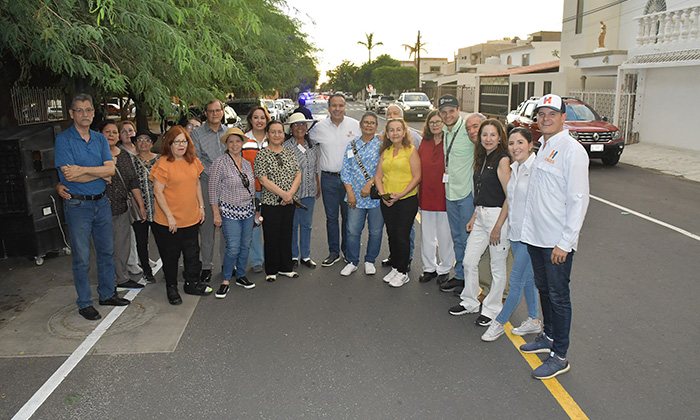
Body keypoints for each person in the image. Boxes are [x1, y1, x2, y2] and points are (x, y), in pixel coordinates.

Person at [518, 94, 589, 380]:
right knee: (544, 290)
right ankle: (547, 337)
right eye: (541, 114)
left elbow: (578, 199)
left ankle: (559, 356)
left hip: (556, 243)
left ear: (563, 117)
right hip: (537, 237)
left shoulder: (572, 151)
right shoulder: (544, 145)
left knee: (559, 297)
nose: (545, 118)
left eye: (552, 114)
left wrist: (566, 242)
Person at [54, 93, 130, 320]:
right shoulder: (64, 140)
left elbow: (109, 171)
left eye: (88, 110)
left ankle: (107, 294)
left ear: (93, 113)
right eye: (79, 110)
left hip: (101, 202)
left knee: (107, 252)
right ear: (71, 114)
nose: (84, 114)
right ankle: (85, 302)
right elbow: (68, 176)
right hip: (78, 206)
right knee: (82, 258)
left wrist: (83, 170)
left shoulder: (98, 139)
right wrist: (96, 173)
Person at [481, 128, 542, 342]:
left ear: (530, 145)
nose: (515, 147)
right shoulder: (515, 168)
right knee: (528, 279)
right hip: (516, 233)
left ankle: (499, 323)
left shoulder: (537, 169)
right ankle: (534, 320)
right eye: (512, 143)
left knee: (515, 280)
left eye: (520, 143)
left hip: (531, 236)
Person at [449, 120, 511, 329]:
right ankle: (470, 301)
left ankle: (493, 309)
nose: (488, 139)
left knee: (497, 266)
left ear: (500, 137)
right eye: (485, 135)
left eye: (493, 135)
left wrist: (498, 226)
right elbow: (481, 191)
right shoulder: (482, 158)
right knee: (469, 261)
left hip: (498, 218)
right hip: (481, 215)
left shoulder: (503, 160)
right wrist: (474, 216)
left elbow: (510, 196)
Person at [151, 126, 212, 305]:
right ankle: (172, 287)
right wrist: (169, 216)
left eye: (184, 141)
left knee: (192, 253)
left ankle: (192, 283)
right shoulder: (162, 164)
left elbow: (196, 185)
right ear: (169, 144)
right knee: (171, 256)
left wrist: (201, 206)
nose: (181, 145)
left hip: (191, 218)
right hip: (169, 221)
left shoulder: (192, 161)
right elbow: (158, 192)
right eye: (176, 141)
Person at [308, 93, 361, 267]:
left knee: (348, 217)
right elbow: (304, 141)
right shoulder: (319, 128)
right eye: (334, 106)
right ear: (329, 107)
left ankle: (347, 251)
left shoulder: (355, 126)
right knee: (331, 218)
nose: (338, 109)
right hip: (329, 179)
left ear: (345, 107)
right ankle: (334, 252)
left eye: (341, 105)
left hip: (350, 180)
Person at [436, 96, 477, 294]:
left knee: (467, 237)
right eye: (443, 112)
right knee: (457, 237)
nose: (447, 115)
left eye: (451, 111)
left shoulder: (468, 130)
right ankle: (460, 275)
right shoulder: (445, 131)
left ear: (459, 110)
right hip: (450, 192)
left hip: (466, 193)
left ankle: (470, 281)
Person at [209, 127, 256, 298]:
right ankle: (226, 280)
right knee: (233, 247)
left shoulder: (247, 164)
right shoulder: (220, 163)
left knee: (245, 245)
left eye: (238, 141)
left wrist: (255, 210)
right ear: (227, 144)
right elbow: (213, 190)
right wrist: (216, 213)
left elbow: (251, 189)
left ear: (243, 143)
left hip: (248, 211)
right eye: (231, 142)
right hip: (229, 212)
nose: (235, 145)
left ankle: (241, 275)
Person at [374, 118, 421, 288]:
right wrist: (383, 195)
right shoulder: (385, 151)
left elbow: (417, 177)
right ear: (387, 133)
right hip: (387, 201)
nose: (395, 133)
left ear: (404, 132)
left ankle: (403, 272)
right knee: (392, 234)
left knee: (402, 235)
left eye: (398, 130)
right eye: (391, 130)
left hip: (406, 201)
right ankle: (395, 267)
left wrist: (400, 195)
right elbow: (378, 176)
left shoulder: (411, 151)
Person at [102, 121, 147, 291]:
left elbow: (133, 182)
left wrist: (141, 205)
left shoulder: (124, 156)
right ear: (100, 134)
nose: (111, 135)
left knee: (122, 246)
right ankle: (109, 282)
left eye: (114, 132)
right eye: (108, 132)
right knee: (106, 248)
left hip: (121, 207)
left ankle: (122, 278)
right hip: (101, 208)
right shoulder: (96, 155)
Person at [254, 120, 301, 282]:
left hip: (289, 202)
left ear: (284, 134)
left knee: (286, 234)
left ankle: (285, 267)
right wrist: (283, 194)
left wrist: (290, 195)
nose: (276, 135)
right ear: (267, 134)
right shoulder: (262, 154)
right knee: (271, 236)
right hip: (271, 203)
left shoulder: (289, 152)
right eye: (273, 132)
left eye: (279, 132)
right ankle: (272, 269)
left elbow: (297, 174)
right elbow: (263, 180)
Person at [339, 111, 383, 276]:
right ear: (361, 125)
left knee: (376, 231)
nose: (369, 125)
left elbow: (384, 168)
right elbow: (346, 170)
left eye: (372, 123)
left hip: (375, 197)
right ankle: (352, 261)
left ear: (376, 126)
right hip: (355, 197)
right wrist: (350, 192)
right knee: (352, 230)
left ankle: (370, 260)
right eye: (366, 122)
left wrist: (369, 183)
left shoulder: (382, 145)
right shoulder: (352, 145)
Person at [190, 99, 227, 283]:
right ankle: (206, 266)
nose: (214, 114)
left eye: (217, 110)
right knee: (208, 226)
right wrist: (215, 173)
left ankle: (227, 265)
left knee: (228, 225)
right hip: (206, 181)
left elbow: (235, 155)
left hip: (227, 184)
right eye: (211, 111)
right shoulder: (196, 134)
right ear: (206, 113)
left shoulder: (228, 132)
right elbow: (196, 159)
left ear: (222, 112)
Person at [417, 110, 454, 284]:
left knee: (445, 235)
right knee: (427, 235)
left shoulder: (450, 141)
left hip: (445, 195)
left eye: (438, 121)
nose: (435, 125)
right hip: (426, 194)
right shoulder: (424, 143)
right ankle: (429, 268)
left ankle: (444, 268)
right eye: (432, 122)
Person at [283, 112, 320, 269]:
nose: (300, 127)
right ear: (291, 128)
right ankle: (293, 256)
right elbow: (284, 173)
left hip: (310, 191)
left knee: (307, 225)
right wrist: (290, 194)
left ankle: (305, 256)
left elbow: (315, 169)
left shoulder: (312, 146)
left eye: (303, 124)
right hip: (293, 193)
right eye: (296, 125)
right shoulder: (286, 147)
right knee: (293, 225)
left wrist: (318, 186)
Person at [242, 105, 271, 274]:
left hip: (272, 191)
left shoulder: (272, 138)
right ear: (250, 120)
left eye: (262, 118)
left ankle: (271, 257)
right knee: (255, 226)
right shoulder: (244, 140)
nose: (259, 121)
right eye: (256, 117)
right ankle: (256, 261)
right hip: (252, 192)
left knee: (271, 226)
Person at [132, 129, 160, 284]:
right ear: (135, 143)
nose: (143, 143)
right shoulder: (131, 161)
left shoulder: (161, 159)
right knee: (141, 241)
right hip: (139, 207)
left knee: (163, 240)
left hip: (159, 207)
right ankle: (147, 272)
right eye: (140, 140)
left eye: (147, 140)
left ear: (152, 143)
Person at [117, 120, 143, 276]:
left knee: (143, 228)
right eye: (124, 131)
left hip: (142, 193)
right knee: (130, 230)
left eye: (131, 130)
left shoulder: (140, 149)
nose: (128, 134)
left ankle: (142, 256)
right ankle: (131, 261)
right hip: (128, 195)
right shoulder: (119, 153)